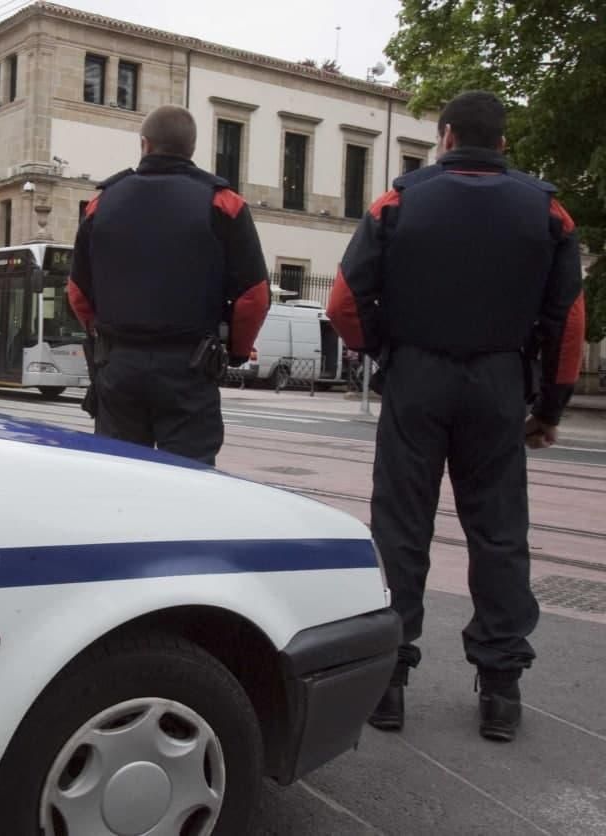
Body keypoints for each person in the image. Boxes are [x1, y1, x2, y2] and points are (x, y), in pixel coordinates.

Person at [326, 91, 586, 742]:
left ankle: (389, 681)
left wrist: (386, 348)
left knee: (402, 529)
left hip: (417, 375)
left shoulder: (398, 203)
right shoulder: (548, 213)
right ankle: (501, 690)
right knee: (498, 534)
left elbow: (342, 302)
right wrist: (549, 406)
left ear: (445, 137)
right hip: (499, 379)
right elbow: (568, 323)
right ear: (502, 144)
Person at [67, 104, 269, 465]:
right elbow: (253, 296)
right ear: (191, 149)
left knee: (120, 472)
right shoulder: (223, 203)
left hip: (119, 364)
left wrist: (101, 336)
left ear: (144, 144)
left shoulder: (101, 203)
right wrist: (236, 351)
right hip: (190, 364)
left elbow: (77, 292)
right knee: (188, 480)